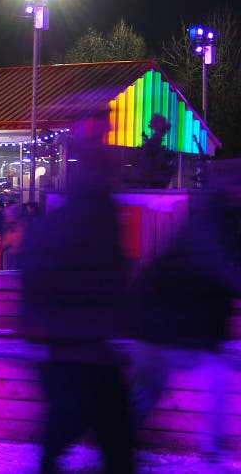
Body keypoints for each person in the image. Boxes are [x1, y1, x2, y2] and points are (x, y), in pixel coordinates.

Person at [19, 115, 134, 474]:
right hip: (80, 340)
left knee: (79, 423)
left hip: (73, 339)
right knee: (101, 427)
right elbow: (102, 273)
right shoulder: (96, 213)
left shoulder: (81, 212)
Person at [128, 185, 240, 459]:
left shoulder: (204, 224)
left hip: (158, 325)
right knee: (218, 376)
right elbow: (224, 274)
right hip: (175, 329)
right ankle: (212, 448)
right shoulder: (216, 230)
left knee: (147, 390)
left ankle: (116, 438)